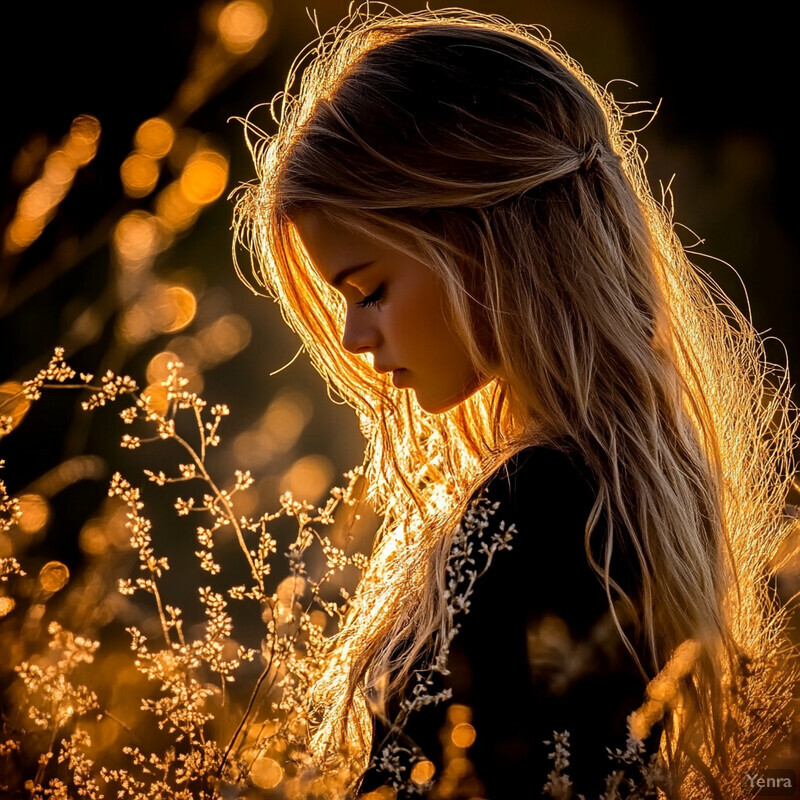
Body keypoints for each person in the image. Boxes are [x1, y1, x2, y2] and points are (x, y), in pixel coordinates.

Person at [233, 6, 797, 798]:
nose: (354, 338)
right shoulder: (613, 494)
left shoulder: (542, 504)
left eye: (369, 290)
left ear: (481, 242)